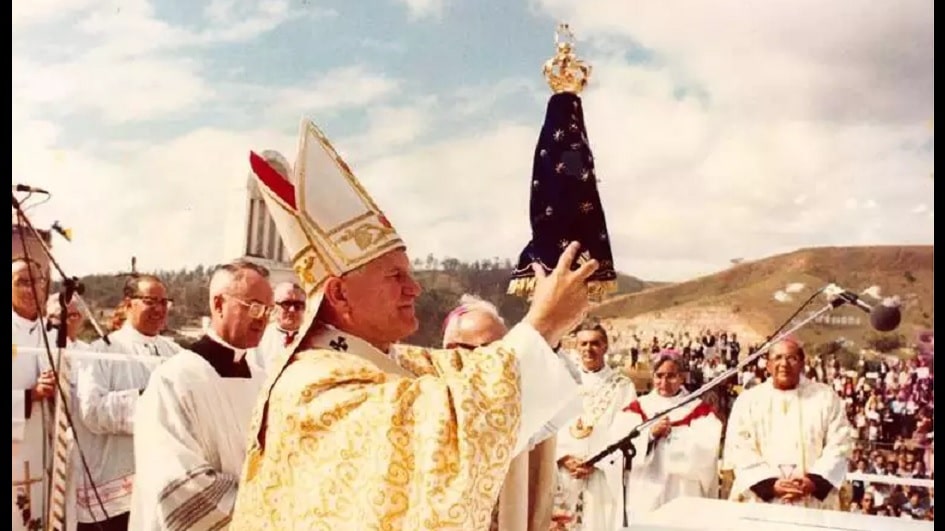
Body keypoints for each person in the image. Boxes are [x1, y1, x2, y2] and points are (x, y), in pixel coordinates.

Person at [229, 119, 587, 530]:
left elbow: (474, 378)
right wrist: (540, 326)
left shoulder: (389, 360)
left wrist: (552, 325)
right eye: (395, 276)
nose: (414, 288)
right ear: (339, 294)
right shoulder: (313, 386)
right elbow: (444, 424)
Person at [129, 261, 273, 530]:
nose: (262, 317)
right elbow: (174, 479)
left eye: (267, 309)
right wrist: (258, 510)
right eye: (253, 306)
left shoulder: (262, 380)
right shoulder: (175, 379)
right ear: (218, 304)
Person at [440, 294, 577, 531]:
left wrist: (539, 515)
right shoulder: (433, 404)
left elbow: (558, 406)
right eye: (489, 349)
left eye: (503, 350)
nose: (501, 361)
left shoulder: (508, 404)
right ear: (452, 350)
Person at [724, 338, 854, 510]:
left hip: (813, 501)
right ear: (768, 365)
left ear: (802, 364)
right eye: (777, 358)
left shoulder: (825, 398)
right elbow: (739, 447)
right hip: (760, 501)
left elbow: (840, 444)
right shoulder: (749, 400)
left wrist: (813, 482)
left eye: (791, 358)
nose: (784, 364)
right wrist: (770, 485)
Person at [613, 350, 722, 520]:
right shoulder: (637, 408)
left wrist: (675, 437)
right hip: (645, 489)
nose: (664, 382)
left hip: (682, 489)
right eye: (659, 375)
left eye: (671, 376)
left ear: (682, 377)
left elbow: (707, 450)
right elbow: (619, 446)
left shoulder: (699, 410)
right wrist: (649, 435)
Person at [552, 323, 637, 531]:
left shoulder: (622, 386)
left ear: (605, 347)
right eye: (583, 344)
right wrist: (563, 457)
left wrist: (596, 461)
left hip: (601, 475)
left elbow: (627, 431)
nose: (588, 349)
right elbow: (550, 425)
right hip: (564, 472)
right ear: (576, 347)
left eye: (595, 343)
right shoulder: (562, 381)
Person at [12, 257, 56, 531]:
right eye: (22, 282)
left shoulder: (53, 331)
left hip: (47, 448)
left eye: (36, 282)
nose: (31, 289)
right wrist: (31, 396)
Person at [249, 281, 305, 373]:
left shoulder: (315, 338)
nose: (292, 310)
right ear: (273, 305)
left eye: (298, 305)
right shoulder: (259, 339)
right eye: (286, 304)